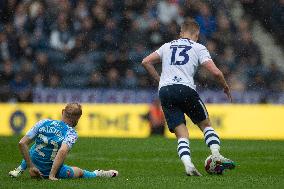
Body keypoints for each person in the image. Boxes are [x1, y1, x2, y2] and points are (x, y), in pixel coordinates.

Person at [141, 19, 235, 176]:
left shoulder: (167, 46)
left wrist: (160, 80)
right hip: (185, 89)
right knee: (205, 125)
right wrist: (225, 86)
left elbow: (145, 62)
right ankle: (216, 155)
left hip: (165, 91)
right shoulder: (198, 47)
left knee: (182, 134)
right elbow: (216, 72)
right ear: (196, 35)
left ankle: (188, 164)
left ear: (180, 33)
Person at [9, 103, 118, 180]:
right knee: (79, 172)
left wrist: (31, 166)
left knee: (38, 143)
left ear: (62, 112)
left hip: (34, 168)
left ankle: (20, 168)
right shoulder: (71, 133)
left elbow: (22, 143)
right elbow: (62, 151)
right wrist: (52, 175)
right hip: (49, 171)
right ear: (77, 119)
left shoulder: (43, 122)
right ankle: (97, 174)